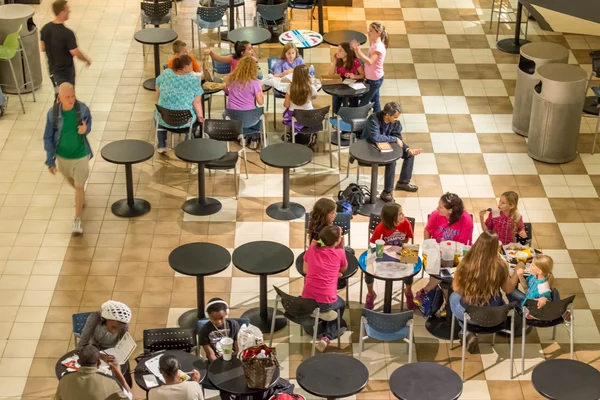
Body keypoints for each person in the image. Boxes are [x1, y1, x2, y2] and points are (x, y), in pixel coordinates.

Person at [449, 231, 518, 353]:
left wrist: (471, 291)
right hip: (496, 315)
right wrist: (517, 271)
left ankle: (466, 331)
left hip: (469, 314)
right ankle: (467, 332)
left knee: (453, 298)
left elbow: (456, 289)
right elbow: (508, 289)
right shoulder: (501, 265)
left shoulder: (465, 263)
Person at [43, 82, 92, 235]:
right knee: (71, 179)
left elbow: (88, 124)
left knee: (78, 185)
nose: (71, 100)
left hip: (81, 154)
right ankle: (80, 195)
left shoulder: (82, 109)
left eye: (73, 96)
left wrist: (86, 129)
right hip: (62, 156)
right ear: (60, 98)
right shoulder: (53, 114)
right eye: (67, 97)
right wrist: (50, 160)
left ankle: (77, 219)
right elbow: (48, 137)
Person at [415, 193, 474, 306]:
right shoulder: (436, 214)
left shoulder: (466, 220)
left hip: (457, 254)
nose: (437, 208)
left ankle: (426, 291)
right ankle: (447, 305)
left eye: (441, 206)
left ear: (450, 210)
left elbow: (462, 245)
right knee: (439, 268)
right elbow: (428, 230)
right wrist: (428, 246)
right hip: (438, 252)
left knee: (444, 273)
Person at [361, 101, 422, 202]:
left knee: (409, 155)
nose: (396, 119)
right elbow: (375, 137)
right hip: (370, 148)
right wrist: (394, 139)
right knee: (391, 161)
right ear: (387, 115)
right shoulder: (374, 119)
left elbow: (398, 138)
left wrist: (407, 149)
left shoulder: (395, 123)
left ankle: (403, 182)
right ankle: (387, 192)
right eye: (395, 117)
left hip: (386, 146)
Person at [302, 225, 348, 352]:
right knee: (341, 304)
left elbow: (306, 265)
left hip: (306, 300)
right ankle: (327, 336)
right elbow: (343, 269)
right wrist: (341, 247)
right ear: (336, 241)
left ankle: (320, 313)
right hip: (326, 301)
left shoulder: (312, 248)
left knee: (330, 307)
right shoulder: (339, 253)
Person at [366, 203, 415, 309]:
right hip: (385, 253)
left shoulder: (406, 222)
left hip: (401, 250)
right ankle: (370, 294)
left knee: (411, 270)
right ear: (392, 218)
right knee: (368, 269)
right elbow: (374, 243)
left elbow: (408, 238)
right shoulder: (381, 227)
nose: (404, 215)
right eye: (400, 214)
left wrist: (403, 247)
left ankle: (408, 291)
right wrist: (385, 249)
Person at [155, 55, 204, 154]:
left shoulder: (166, 73)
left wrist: (162, 97)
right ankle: (187, 145)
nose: (192, 67)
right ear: (186, 68)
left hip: (165, 118)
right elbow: (197, 102)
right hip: (185, 121)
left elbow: (157, 86)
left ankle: (162, 145)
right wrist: (200, 116)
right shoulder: (193, 80)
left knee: (157, 114)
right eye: (191, 65)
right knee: (196, 119)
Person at [77, 300, 133, 386]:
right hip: (94, 349)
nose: (114, 332)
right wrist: (101, 356)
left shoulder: (123, 324)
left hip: (112, 350)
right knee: (97, 379)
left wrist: (123, 353)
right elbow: (81, 344)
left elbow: (124, 341)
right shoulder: (95, 318)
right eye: (113, 327)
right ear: (107, 319)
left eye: (119, 329)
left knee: (123, 375)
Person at [40, 0, 91, 87]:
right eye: (67, 9)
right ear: (62, 12)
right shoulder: (67, 33)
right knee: (68, 95)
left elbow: (42, 48)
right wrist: (86, 60)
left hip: (52, 70)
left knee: (58, 93)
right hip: (65, 72)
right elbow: (75, 52)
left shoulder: (45, 28)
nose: (69, 11)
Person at [55, 344, 131, 400]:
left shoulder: (64, 380)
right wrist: (120, 377)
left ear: (78, 362)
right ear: (99, 363)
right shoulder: (110, 382)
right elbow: (129, 398)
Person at [225, 56, 265, 149]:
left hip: (232, 117)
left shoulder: (231, 80)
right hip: (249, 118)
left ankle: (242, 137)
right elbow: (261, 102)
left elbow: (227, 89)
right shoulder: (255, 83)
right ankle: (254, 139)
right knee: (259, 113)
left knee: (238, 114)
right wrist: (260, 90)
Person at [351, 21, 387, 112]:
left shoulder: (378, 48)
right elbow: (365, 60)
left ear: (378, 33)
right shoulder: (374, 45)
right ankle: (379, 121)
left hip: (375, 80)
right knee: (375, 101)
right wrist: (356, 50)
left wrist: (359, 51)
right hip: (372, 78)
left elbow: (370, 62)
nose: (368, 32)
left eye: (371, 31)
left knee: (364, 103)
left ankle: (359, 121)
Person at [282, 64, 318, 144]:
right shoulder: (311, 88)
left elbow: (286, 105)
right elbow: (314, 97)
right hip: (308, 115)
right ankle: (308, 132)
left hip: (294, 116)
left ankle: (291, 132)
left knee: (287, 112)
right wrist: (311, 84)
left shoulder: (290, 88)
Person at [328, 42, 364, 114]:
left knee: (353, 103)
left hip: (352, 86)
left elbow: (362, 75)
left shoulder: (355, 61)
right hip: (340, 86)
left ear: (347, 52)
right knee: (336, 103)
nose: (337, 52)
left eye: (340, 50)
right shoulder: (338, 61)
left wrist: (354, 76)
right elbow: (330, 75)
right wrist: (334, 61)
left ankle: (351, 115)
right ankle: (337, 114)